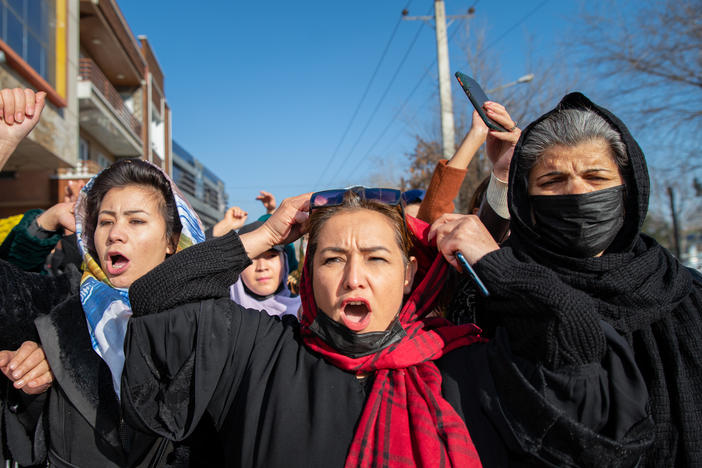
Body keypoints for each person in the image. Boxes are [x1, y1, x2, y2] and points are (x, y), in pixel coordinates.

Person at [120, 186, 653, 467]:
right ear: (306, 275)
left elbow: (578, 351)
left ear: (409, 274)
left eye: (376, 259)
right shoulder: (258, 347)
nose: (353, 278)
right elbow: (155, 297)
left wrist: (494, 262)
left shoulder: (467, 365)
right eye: (331, 260)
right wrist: (265, 234)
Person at [431, 92, 702, 466]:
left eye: (596, 176)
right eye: (553, 180)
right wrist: (502, 180)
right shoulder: (496, 296)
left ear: (628, 191)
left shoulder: (685, 293)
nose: (576, 193)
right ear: (527, 203)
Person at [0, 87, 221, 466]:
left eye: (136, 220)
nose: (116, 233)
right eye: (105, 221)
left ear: (173, 239)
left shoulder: (215, 322)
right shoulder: (61, 305)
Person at [417, 104, 518, 243]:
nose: (509, 218)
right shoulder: (457, 256)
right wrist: (476, 135)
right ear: (476, 214)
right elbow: (430, 225)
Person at [229, 220, 301, 318]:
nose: (262, 267)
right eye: (252, 258)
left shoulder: (305, 312)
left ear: (285, 261)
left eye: (271, 256)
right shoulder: (220, 313)